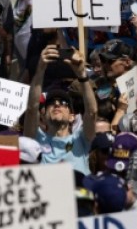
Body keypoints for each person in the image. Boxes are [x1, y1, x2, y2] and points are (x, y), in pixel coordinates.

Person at [23, 41, 98, 175]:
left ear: (72, 116)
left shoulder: (81, 138)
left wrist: (82, 76)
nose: (57, 104)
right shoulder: (36, 140)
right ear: (44, 116)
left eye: (64, 103)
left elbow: (92, 113)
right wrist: (40, 70)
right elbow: (31, 109)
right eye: (51, 103)